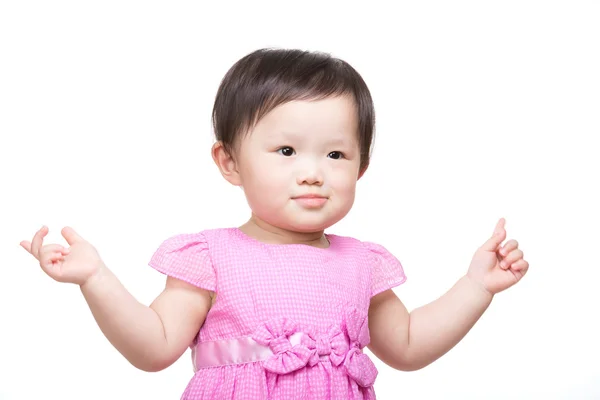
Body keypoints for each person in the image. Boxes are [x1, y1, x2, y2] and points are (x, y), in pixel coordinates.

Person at [20, 48, 529, 400]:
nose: (312, 172)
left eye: (336, 153)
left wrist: (475, 287)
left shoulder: (361, 263)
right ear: (230, 162)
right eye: (286, 151)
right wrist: (96, 279)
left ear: (362, 167)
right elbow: (153, 348)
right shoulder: (210, 256)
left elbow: (410, 345)